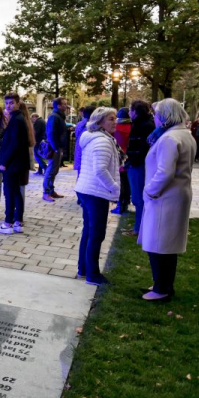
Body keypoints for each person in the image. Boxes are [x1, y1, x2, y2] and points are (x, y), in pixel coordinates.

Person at [138, 99, 196, 301]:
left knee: (159, 244)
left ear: (164, 117)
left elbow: (164, 172)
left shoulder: (169, 138)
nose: (154, 118)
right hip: (174, 195)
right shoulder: (182, 134)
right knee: (166, 244)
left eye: (156, 114)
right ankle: (163, 284)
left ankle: (161, 289)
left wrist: (150, 191)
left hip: (165, 196)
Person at [73, 107, 121, 286]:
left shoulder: (94, 138)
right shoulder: (102, 141)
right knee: (96, 233)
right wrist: (114, 188)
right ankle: (92, 274)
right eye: (111, 119)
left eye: (115, 118)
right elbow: (100, 169)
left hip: (87, 189)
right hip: (95, 192)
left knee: (89, 231)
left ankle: (83, 269)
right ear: (100, 121)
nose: (114, 122)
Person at [0, 93, 31, 235]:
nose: (8, 105)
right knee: (15, 192)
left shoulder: (16, 119)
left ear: (18, 103)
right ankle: (17, 222)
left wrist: (4, 162)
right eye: (6, 103)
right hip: (17, 162)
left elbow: (14, 143)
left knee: (10, 192)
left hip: (12, 163)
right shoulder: (18, 118)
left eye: (11, 103)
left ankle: (8, 223)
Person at [123, 100, 154, 237]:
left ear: (136, 112)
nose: (129, 113)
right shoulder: (142, 123)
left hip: (138, 165)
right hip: (137, 164)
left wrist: (130, 161)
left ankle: (139, 229)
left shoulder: (143, 125)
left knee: (138, 198)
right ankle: (138, 226)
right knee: (137, 197)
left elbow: (141, 149)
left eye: (130, 110)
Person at [43, 97, 69, 201]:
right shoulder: (55, 117)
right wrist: (56, 148)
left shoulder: (59, 116)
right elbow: (51, 133)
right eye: (64, 104)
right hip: (54, 148)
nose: (66, 106)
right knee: (51, 170)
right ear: (58, 105)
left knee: (54, 170)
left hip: (57, 147)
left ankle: (51, 190)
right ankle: (46, 192)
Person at [111, 107, 132, 214]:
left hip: (119, 157)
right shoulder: (132, 127)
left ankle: (120, 205)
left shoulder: (116, 127)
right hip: (130, 157)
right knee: (127, 182)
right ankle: (126, 202)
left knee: (120, 183)